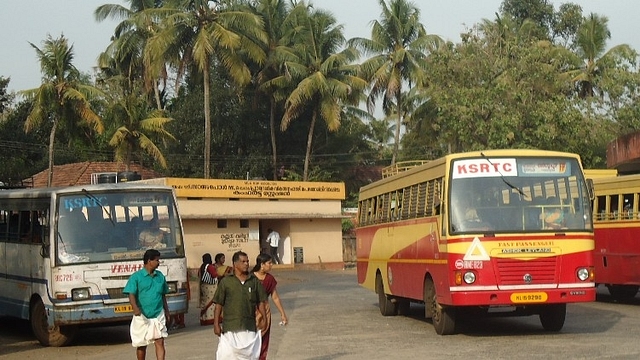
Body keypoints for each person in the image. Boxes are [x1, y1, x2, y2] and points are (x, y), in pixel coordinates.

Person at [213, 251, 268, 360]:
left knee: (249, 355)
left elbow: (260, 301)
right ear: (235, 264)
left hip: (249, 326)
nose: (246, 264)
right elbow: (219, 304)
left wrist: (264, 319)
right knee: (229, 355)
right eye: (243, 262)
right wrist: (216, 324)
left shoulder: (253, 281)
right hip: (231, 327)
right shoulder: (226, 282)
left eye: (247, 261)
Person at [123, 249, 170, 360]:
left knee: (160, 341)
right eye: (157, 260)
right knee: (141, 344)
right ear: (149, 261)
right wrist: (135, 308)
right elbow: (131, 294)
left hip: (158, 313)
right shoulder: (136, 277)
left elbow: (163, 295)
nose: (159, 262)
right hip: (142, 315)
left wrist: (167, 310)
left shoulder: (160, 276)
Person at [252, 253, 288, 360]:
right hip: (251, 311)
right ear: (262, 264)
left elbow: (275, 297)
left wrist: (283, 314)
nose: (271, 265)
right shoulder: (250, 277)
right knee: (250, 339)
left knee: (264, 339)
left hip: (264, 311)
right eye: (269, 263)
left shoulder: (270, 279)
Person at [199, 253, 218, 326]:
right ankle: (211, 318)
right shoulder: (210, 267)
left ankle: (204, 318)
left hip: (204, 286)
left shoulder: (202, 266)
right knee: (212, 302)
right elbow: (214, 275)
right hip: (211, 286)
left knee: (205, 301)